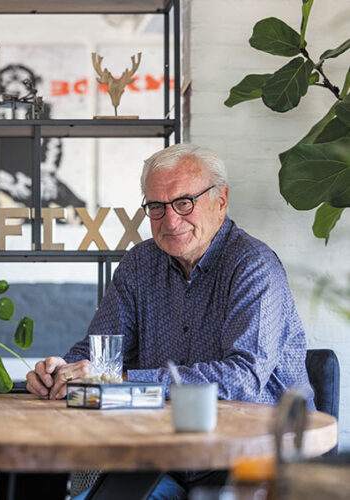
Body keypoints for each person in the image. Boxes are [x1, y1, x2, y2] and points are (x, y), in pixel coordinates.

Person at [26, 143, 315, 499]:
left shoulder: (253, 266)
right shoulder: (139, 264)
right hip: (161, 454)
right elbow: (101, 352)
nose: (170, 220)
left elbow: (244, 378)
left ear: (221, 200)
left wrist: (123, 380)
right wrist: (63, 369)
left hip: (251, 458)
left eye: (184, 202)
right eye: (157, 207)